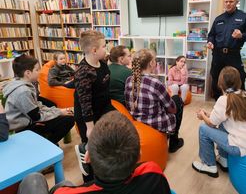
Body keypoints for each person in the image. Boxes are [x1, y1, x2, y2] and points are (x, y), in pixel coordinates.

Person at [17, 111, 172, 194]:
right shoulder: (154, 173)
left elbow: (60, 191)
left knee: (34, 179)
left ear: (88, 157)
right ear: (139, 154)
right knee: (65, 184)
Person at [192, 66, 246, 178]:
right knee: (223, 123)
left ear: (220, 83)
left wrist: (203, 116)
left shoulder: (224, 99)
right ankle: (224, 160)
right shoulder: (245, 95)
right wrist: (208, 114)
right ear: (239, 81)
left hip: (242, 147)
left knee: (203, 129)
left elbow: (211, 124)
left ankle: (209, 165)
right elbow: (221, 117)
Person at [2, 54, 74, 145]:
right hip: (24, 127)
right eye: (37, 70)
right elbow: (37, 117)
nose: (39, 72)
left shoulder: (24, 84)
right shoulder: (23, 91)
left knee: (62, 115)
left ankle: (48, 143)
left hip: (29, 120)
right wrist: (59, 112)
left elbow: (37, 106)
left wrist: (57, 111)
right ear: (28, 73)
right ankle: (48, 145)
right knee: (69, 119)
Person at [125, 49, 184, 153]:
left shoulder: (129, 79)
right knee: (177, 100)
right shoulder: (156, 83)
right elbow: (172, 109)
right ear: (151, 63)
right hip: (153, 122)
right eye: (155, 60)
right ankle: (174, 142)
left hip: (136, 119)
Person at [73, 30, 114, 179]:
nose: (106, 49)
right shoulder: (83, 72)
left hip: (103, 106)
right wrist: (90, 127)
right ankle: (90, 181)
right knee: (92, 149)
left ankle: (106, 174)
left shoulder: (101, 62)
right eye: (104, 46)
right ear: (94, 50)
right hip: (88, 114)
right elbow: (85, 102)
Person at [207, 0, 246, 100]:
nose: (228, 4)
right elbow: (211, 35)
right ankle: (219, 101)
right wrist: (210, 42)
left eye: (231, 1)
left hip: (233, 54)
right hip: (218, 55)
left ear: (236, 2)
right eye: (226, 1)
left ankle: (240, 101)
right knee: (215, 77)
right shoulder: (218, 19)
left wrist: (241, 35)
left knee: (239, 77)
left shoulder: (244, 17)